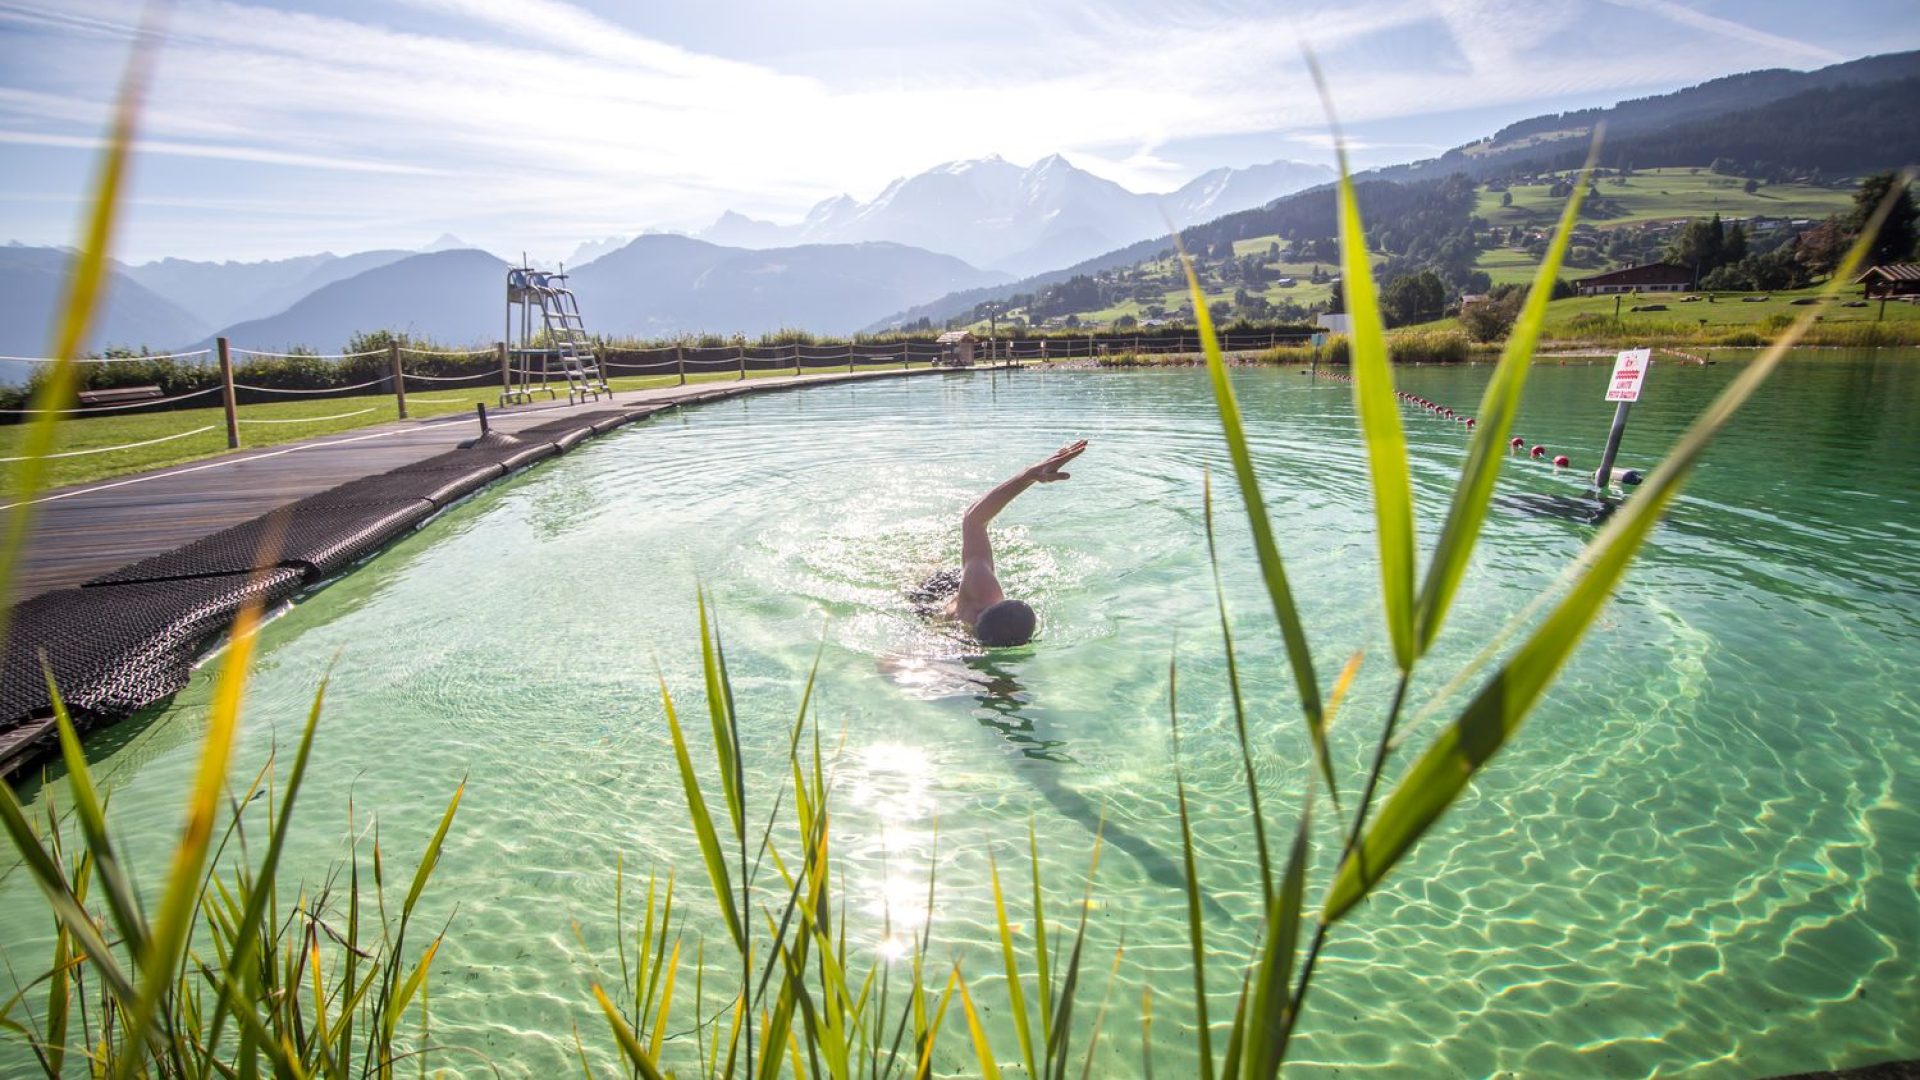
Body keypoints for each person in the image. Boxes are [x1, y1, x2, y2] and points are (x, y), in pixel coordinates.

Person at [917, 440, 1087, 648]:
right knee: (921, 576)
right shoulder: (981, 593)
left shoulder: (984, 603)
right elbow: (973, 519)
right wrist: (1027, 477)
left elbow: (973, 520)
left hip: (965, 615)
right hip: (934, 599)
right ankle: (927, 566)